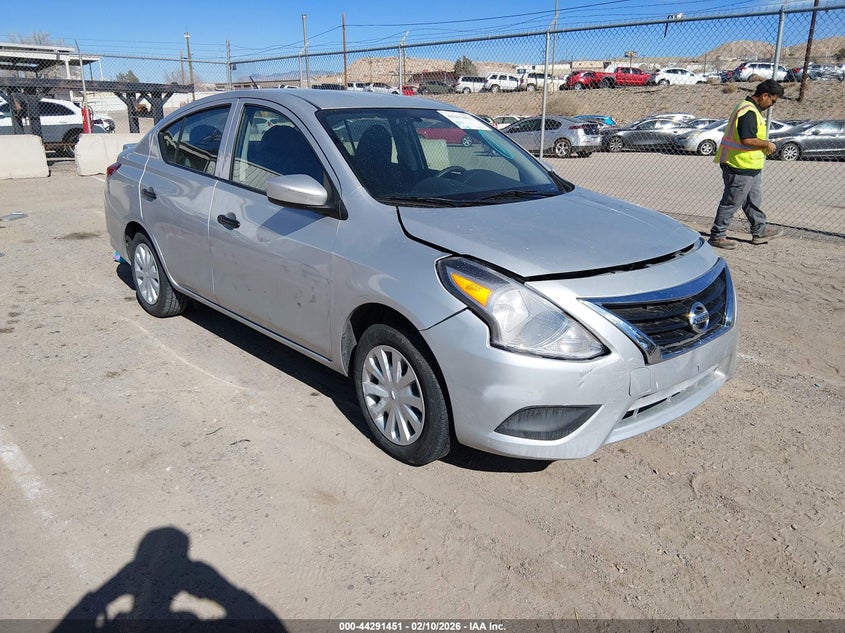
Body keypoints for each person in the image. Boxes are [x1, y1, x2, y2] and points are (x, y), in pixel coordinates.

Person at [708, 78, 785, 250]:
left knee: (753, 200)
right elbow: (746, 139)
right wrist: (767, 144)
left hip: (749, 166)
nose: (771, 105)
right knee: (731, 202)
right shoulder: (748, 111)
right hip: (739, 166)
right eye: (772, 101)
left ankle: (760, 230)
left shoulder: (750, 109)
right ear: (764, 95)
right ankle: (717, 236)